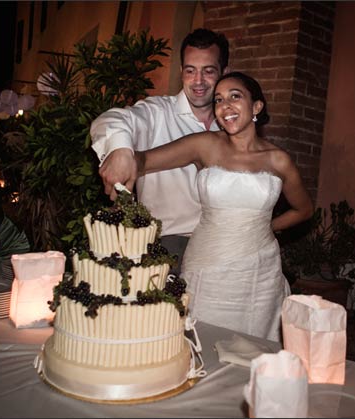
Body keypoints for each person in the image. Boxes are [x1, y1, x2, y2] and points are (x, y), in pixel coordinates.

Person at [133, 72, 314, 341]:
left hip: (258, 274)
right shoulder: (204, 145)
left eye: (235, 97)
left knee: (253, 351)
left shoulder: (279, 160)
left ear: (256, 107)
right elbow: (144, 161)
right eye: (218, 100)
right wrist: (116, 152)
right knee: (197, 342)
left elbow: (304, 210)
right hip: (207, 267)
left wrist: (265, 228)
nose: (224, 106)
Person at [90, 28, 230, 272]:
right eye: (190, 71)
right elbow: (112, 119)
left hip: (221, 248)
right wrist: (121, 149)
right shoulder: (157, 112)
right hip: (166, 247)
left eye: (208, 71)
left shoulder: (232, 125)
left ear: (223, 74)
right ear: (181, 73)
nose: (198, 81)